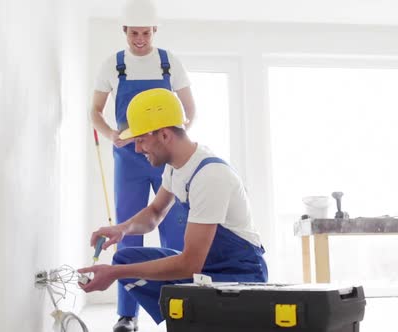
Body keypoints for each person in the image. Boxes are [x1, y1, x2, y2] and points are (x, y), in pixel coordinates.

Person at [79, 88, 268, 328]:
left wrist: (114, 275)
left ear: (165, 135)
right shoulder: (175, 167)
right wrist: (122, 230)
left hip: (240, 275)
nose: (137, 149)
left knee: (124, 270)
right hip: (207, 268)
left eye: (141, 140)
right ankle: (189, 314)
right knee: (124, 259)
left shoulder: (210, 176)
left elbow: (190, 264)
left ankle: (195, 316)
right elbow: (155, 213)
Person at [89, 0, 196, 330]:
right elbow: (95, 111)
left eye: (146, 33)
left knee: (175, 231)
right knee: (129, 232)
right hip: (129, 158)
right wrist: (112, 135)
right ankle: (127, 315)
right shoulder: (113, 65)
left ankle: (183, 308)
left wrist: (174, 139)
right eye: (134, 33)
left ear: (155, 31)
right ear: (124, 31)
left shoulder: (169, 63)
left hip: (165, 157)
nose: (140, 39)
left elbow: (190, 111)